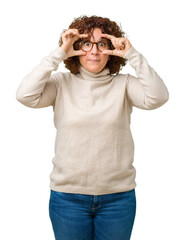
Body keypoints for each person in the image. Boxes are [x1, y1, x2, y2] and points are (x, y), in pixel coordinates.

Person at [16, 15, 169, 240]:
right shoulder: (60, 84)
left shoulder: (124, 85)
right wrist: (58, 54)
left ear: (112, 49)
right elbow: (25, 95)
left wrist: (133, 55)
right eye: (86, 43)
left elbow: (158, 97)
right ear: (75, 48)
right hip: (68, 198)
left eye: (102, 44)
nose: (94, 51)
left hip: (117, 199)